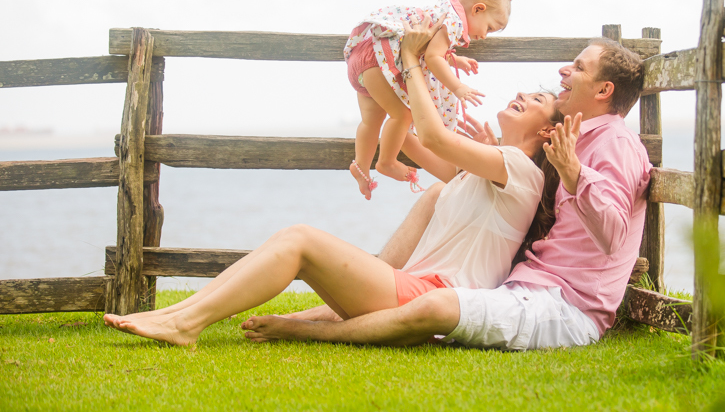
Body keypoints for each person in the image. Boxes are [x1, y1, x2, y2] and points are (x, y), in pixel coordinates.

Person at [102, 17, 558, 346]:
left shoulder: (522, 170)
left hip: (431, 299)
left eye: (536, 98)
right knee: (293, 237)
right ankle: (174, 314)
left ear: (547, 132)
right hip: (411, 290)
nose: (520, 95)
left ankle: (185, 324)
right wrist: (379, 82)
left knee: (300, 239)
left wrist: (413, 61)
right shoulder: (482, 171)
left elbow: (435, 134)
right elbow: (414, 140)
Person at [242, 23, 651, 351]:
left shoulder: (614, 142)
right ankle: (304, 319)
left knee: (433, 304)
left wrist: (574, 173)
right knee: (412, 273)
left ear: (603, 90)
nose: (565, 70)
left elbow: (613, 234)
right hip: (527, 286)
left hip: (567, 308)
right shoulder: (572, 139)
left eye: (578, 67)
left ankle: (309, 333)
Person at [345, 0, 514, 199]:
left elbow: (433, 50)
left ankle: (360, 167)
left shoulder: (444, 10)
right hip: (378, 62)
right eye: (489, 28)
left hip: (364, 58)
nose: (483, 36)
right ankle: (386, 162)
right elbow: (434, 58)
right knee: (402, 115)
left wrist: (456, 60)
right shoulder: (454, 21)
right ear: (478, 9)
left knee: (370, 121)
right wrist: (457, 87)